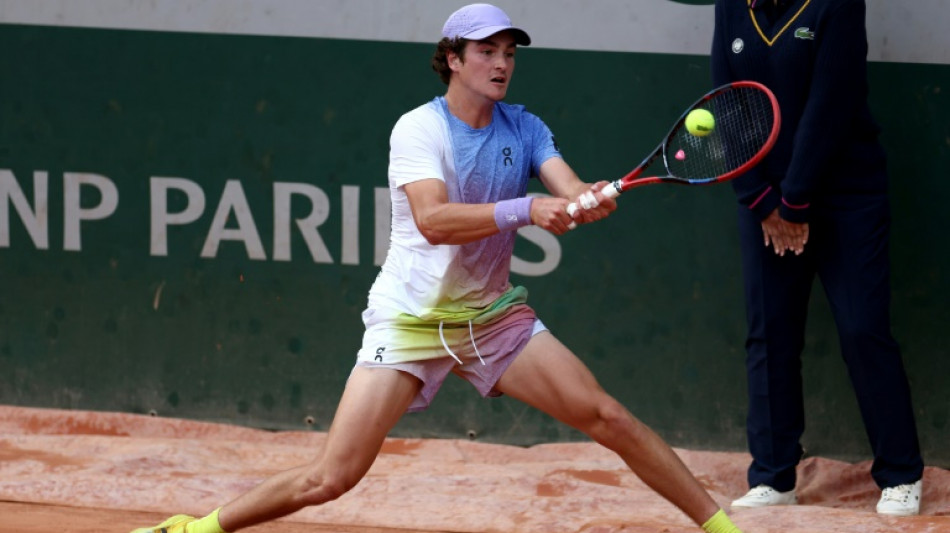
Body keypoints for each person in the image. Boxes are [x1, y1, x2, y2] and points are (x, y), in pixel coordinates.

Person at [132, 4, 745, 533]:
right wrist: (529, 208)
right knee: (332, 477)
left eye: (509, 52)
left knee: (607, 416)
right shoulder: (418, 129)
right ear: (452, 58)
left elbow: (568, 188)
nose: (501, 63)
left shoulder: (525, 127)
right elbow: (434, 219)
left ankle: (722, 525)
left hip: (490, 317)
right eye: (486, 51)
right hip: (410, 318)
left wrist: (587, 201)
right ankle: (200, 527)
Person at [711, 0, 925, 516]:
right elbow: (725, 102)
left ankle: (900, 474)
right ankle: (773, 474)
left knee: (862, 328)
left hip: (847, 196)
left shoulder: (838, 5)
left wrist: (795, 200)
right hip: (765, 202)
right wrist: (759, 200)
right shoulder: (731, 8)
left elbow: (833, 100)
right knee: (770, 332)